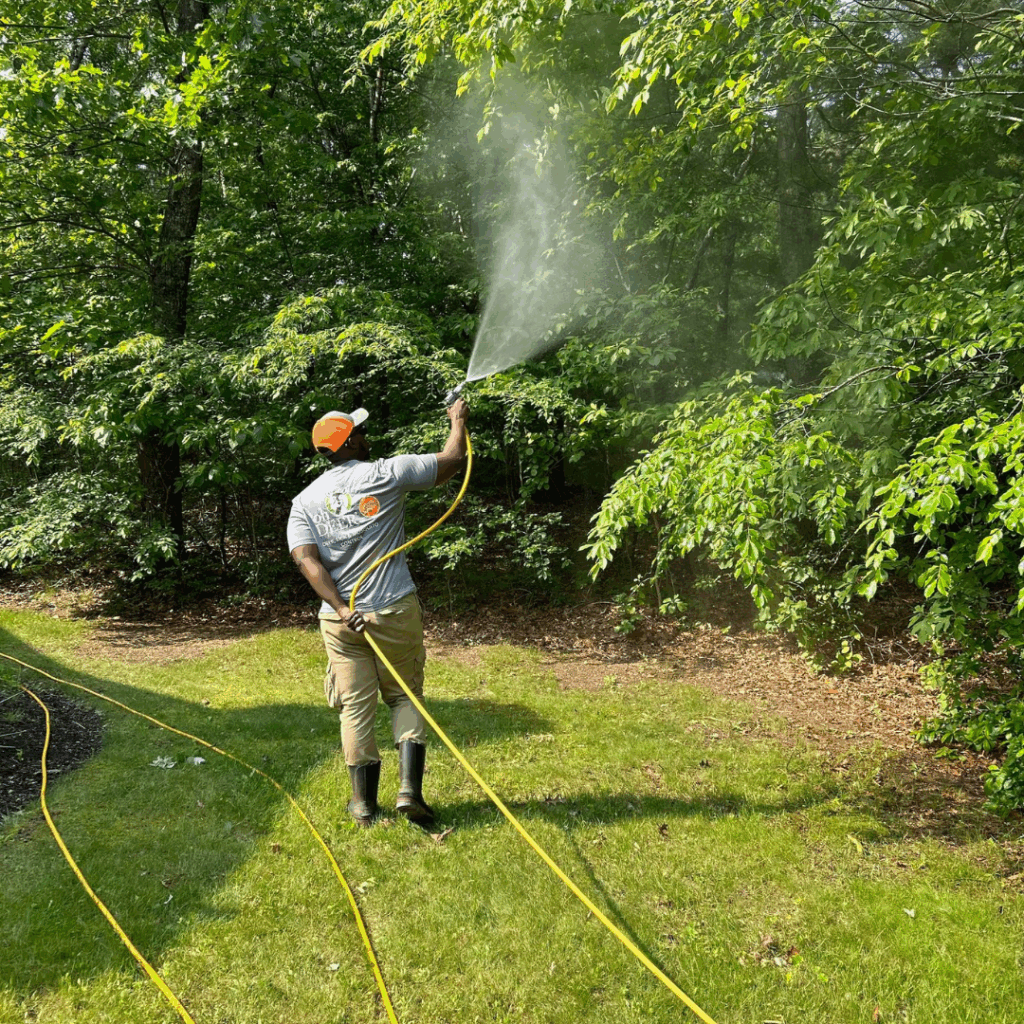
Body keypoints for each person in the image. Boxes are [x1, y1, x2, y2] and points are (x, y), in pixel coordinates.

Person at [287, 399, 469, 827]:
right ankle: (409, 792)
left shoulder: (303, 501)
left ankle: (363, 806)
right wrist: (457, 422)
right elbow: (452, 461)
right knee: (405, 696)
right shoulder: (384, 473)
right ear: (348, 443)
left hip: (341, 623)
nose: (366, 437)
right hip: (393, 610)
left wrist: (339, 606)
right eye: (359, 432)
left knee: (354, 708)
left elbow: (306, 560)